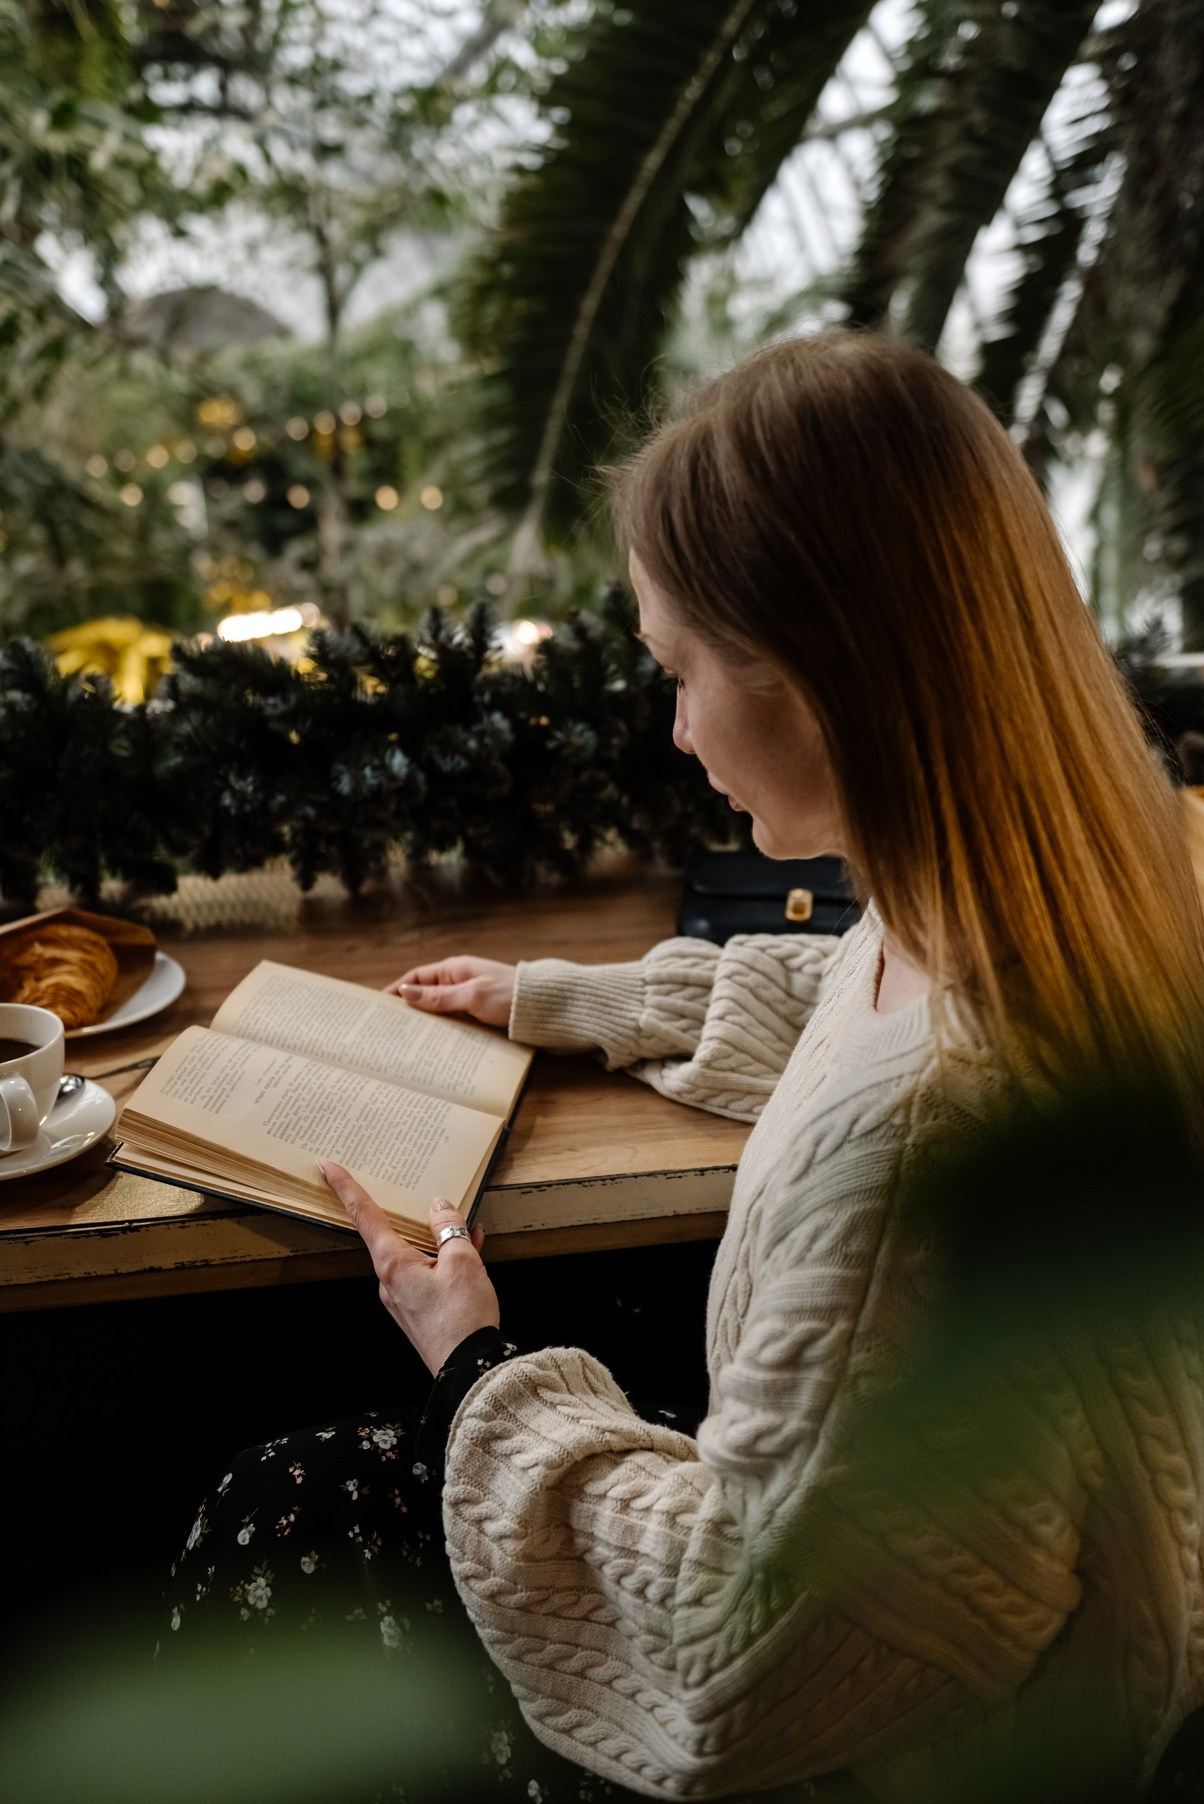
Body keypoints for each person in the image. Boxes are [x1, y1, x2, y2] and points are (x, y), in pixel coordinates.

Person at [165, 332, 1204, 1803]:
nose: (673, 728)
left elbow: (727, 1652)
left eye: (680, 671)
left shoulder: (917, 1161)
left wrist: (480, 1365)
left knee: (281, 1515)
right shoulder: (1075, 884)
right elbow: (847, 1005)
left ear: (823, 677)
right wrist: (569, 997)